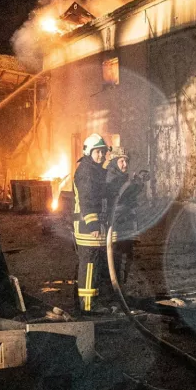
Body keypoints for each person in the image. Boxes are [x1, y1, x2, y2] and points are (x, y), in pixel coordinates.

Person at [73, 133, 110, 314]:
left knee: (93, 263)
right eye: (97, 152)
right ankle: (88, 306)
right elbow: (87, 200)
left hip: (91, 227)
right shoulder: (87, 172)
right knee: (89, 265)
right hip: (87, 227)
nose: (101, 156)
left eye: (103, 152)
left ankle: (90, 302)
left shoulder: (94, 170)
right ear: (89, 152)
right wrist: (93, 225)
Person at [105, 148, 135, 286]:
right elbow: (119, 198)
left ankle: (120, 287)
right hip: (117, 226)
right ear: (114, 162)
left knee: (125, 257)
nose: (125, 164)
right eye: (121, 161)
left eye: (126, 161)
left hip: (125, 225)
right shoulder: (111, 178)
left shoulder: (122, 177)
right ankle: (117, 289)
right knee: (118, 258)